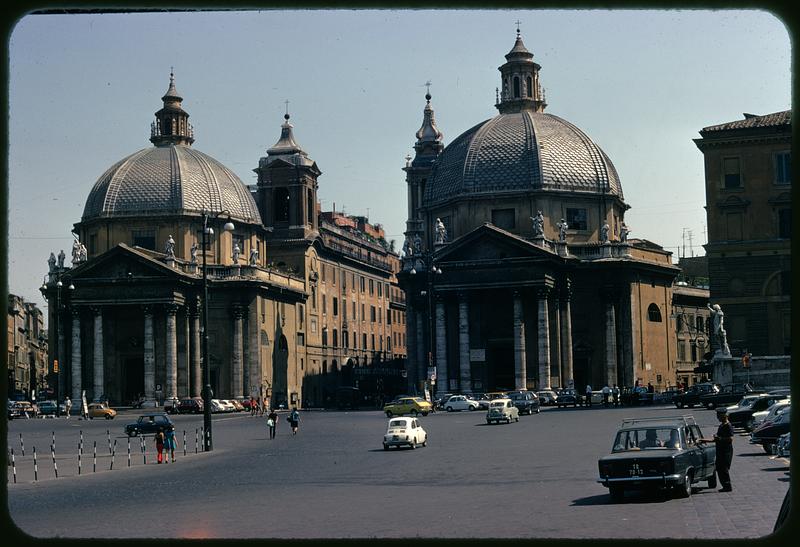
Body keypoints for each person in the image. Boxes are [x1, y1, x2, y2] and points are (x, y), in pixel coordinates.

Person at [700, 408, 734, 492]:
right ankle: (725, 486)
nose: (717, 418)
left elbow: (730, 438)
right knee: (719, 468)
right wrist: (703, 440)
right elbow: (715, 439)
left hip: (726, 451)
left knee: (723, 468)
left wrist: (720, 438)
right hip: (720, 450)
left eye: (719, 416)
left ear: (723, 416)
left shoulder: (727, 425)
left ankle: (727, 486)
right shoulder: (722, 425)